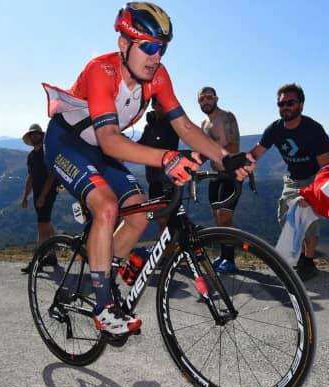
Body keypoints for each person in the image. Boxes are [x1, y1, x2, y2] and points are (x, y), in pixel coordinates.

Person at [42, 2, 254, 336]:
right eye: (149, 47)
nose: (157, 57)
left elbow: (185, 127)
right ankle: (103, 307)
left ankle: (106, 274)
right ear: (124, 43)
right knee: (107, 206)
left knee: (139, 214)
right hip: (66, 143)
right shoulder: (101, 71)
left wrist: (224, 158)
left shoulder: (158, 76)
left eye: (162, 48)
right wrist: (167, 158)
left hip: (100, 148)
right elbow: (110, 141)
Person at [248, 84, 329, 282]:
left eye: (290, 103)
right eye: (281, 104)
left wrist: (312, 192)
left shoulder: (314, 129)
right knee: (285, 218)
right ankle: (299, 257)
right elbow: (257, 152)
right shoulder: (275, 129)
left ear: (301, 105)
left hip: (314, 178)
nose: (285, 107)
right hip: (293, 178)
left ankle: (308, 261)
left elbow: (325, 167)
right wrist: (239, 162)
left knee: (309, 220)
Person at [198, 86, 242, 273]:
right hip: (215, 174)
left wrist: (209, 150)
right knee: (217, 217)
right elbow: (204, 151)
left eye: (209, 98)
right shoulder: (204, 123)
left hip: (231, 173)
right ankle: (223, 256)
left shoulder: (227, 118)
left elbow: (233, 147)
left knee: (225, 216)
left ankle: (230, 260)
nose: (206, 101)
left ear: (216, 99)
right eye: (202, 99)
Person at [20, 123, 59, 273]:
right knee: (46, 224)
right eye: (32, 134)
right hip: (38, 193)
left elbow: (51, 176)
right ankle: (52, 256)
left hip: (47, 192)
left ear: (42, 136)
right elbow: (31, 177)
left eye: (37, 133)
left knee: (41, 227)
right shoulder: (31, 156)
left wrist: (42, 196)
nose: (34, 136)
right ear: (30, 137)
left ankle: (37, 261)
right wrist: (25, 196)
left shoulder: (46, 153)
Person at [137, 97, 178, 230]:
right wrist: (123, 144)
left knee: (167, 220)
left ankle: (175, 242)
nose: (162, 107)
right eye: (159, 104)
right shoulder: (149, 127)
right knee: (161, 221)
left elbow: (169, 150)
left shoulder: (172, 125)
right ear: (153, 106)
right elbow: (140, 146)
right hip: (154, 181)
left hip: (167, 181)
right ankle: (168, 243)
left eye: (163, 104)